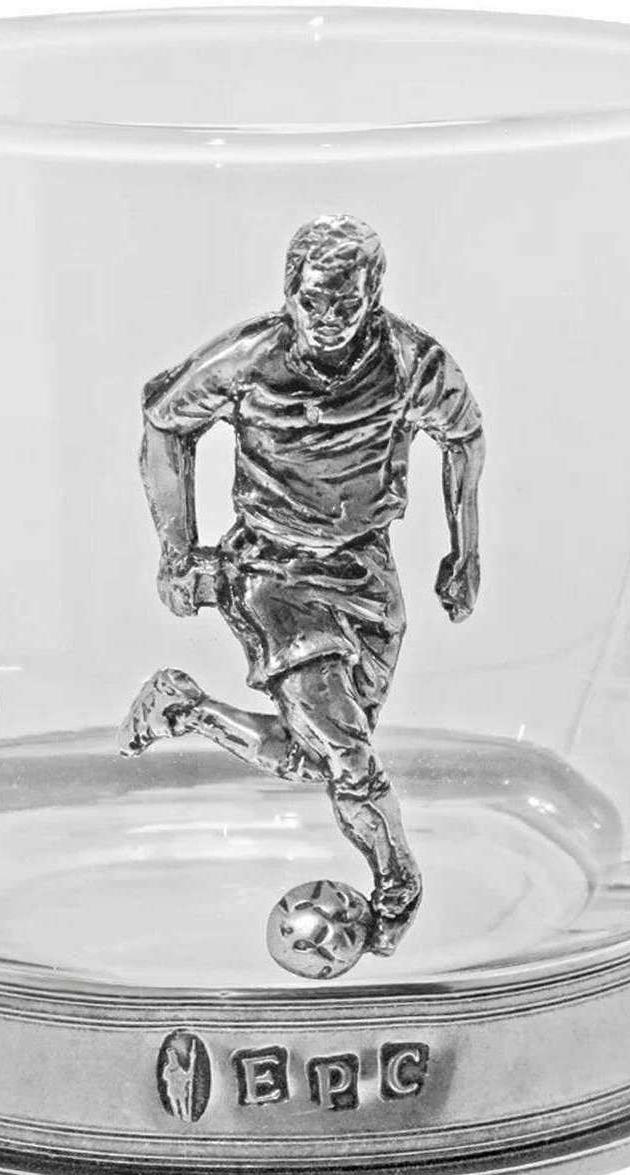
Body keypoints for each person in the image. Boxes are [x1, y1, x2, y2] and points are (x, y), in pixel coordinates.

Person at [118, 214, 484, 959]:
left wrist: (465, 550)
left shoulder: (411, 362)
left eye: (345, 301)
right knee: (350, 758)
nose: (327, 317)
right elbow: (164, 420)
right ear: (289, 292)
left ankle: (184, 708)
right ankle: (398, 881)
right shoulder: (250, 360)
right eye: (311, 300)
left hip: (366, 574)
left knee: (315, 754)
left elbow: (464, 437)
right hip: (274, 576)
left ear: (373, 295)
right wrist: (177, 549)